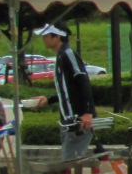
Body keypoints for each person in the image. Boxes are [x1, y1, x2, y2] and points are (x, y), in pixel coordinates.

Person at [35, 24, 96, 160]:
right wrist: (49, 99)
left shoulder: (68, 54)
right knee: (72, 163)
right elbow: (69, 91)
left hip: (79, 120)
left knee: (70, 162)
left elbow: (83, 81)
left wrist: (88, 112)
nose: (44, 39)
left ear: (57, 36)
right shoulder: (61, 57)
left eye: (46, 36)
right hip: (69, 122)